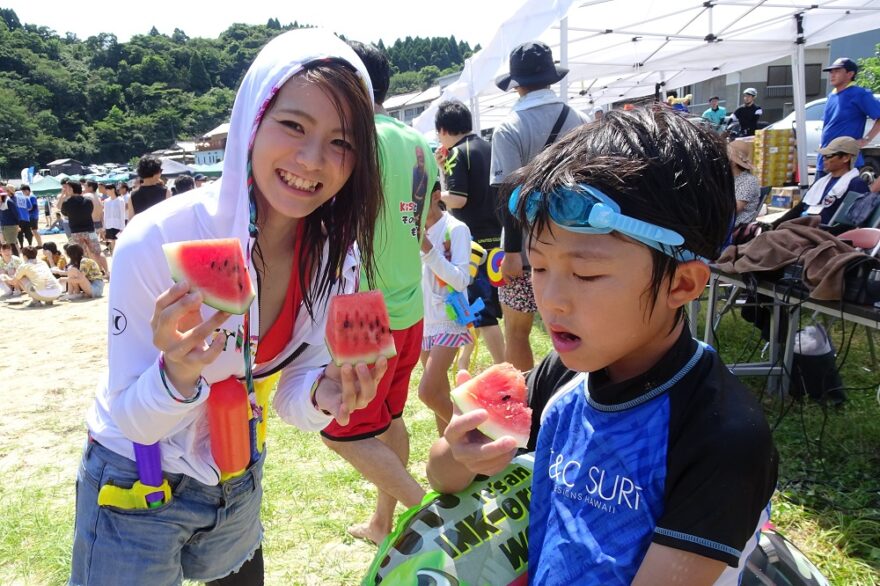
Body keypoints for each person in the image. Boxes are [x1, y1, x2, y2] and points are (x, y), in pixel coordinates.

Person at [69, 29, 387, 586]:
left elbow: (289, 387)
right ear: (252, 120)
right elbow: (132, 418)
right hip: (134, 471)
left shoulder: (340, 256)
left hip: (237, 469)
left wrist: (323, 393)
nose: (313, 160)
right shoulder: (157, 240)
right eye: (293, 125)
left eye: (342, 141)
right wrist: (179, 372)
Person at [432, 108, 778, 585]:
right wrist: (459, 452)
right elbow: (441, 477)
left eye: (587, 274)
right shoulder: (560, 377)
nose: (550, 300)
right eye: (538, 266)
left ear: (682, 284)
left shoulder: (721, 436)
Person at [319, 40, 431, 546]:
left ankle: (428, 514)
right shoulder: (420, 143)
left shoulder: (354, 141)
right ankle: (382, 522)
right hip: (411, 302)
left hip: (362, 304)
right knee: (389, 420)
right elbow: (425, 219)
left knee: (341, 430)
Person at [491, 40, 591, 372]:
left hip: (527, 244)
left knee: (517, 334)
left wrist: (512, 251)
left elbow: (507, 193)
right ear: (551, 78)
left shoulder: (508, 128)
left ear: (516, 85)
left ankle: (522, 407)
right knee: (580, 329)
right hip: (579, 240)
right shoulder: (581, 119)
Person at [434, 100, 506, 369]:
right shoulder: (487, 146)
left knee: (483, 314)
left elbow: (459, 199)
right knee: (473, 309)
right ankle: (464, 365)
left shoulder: (456, 153)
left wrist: (435, 196)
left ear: (442, 130)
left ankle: (507, 370)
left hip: (473, 243)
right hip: (497, 240)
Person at [418, 183, 473, 432]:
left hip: (450, 319)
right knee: (439, 391)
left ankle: (473, 435)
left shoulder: (456, 229)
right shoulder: (412, 230)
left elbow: (461, 279)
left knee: (428, 391)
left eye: (418, 196)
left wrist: (428, 251)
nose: (413, 204)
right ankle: (449, 450)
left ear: (436, 195)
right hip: (422, 321)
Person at [774, 136, 870, 228]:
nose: (824, 159)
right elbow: (800, 208)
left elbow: (852, 222)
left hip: (823, 234)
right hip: (804, 227)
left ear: (846, 158)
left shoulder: (857, 184)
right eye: (823, 155)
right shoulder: (821, 182)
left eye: (828, 156)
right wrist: (774, 224)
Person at [816, 57, 880, 178]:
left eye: (837, 71)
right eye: (831, 72)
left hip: (845, 161)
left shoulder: (859, 93)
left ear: (850, 74)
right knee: (817, 195)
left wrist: (866, 139)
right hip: (825, 159)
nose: (832, 75)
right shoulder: (831, 96)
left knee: (842, 195)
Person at [59, 181, 110, 278]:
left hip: (76, 232)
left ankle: (87, 275)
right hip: (90, 230)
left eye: (68, 188)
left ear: (71, 189)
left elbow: (64, 213)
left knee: (80, 255)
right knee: (97, 252)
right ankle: (107, 272)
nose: (66, 190)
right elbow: (90, 211)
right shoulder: (87, 201)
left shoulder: (67, 202)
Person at [729, 141, 762, 227]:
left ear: (734, 162)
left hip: (736, 227)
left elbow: (733, 209)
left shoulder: (748, 181)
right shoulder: (728, 179)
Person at [102, 183, 126, 254]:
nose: (106, 191)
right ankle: (113, 256)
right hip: (109, 224)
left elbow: (122, 214)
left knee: (118, 242)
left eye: (107, 190)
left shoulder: (120, 200)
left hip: (118, 225)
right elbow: (105, 214)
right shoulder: (106, 201)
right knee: (111, 242)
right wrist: (104, 227)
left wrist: (122, 227)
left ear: (113, 189)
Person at [0, 185, 21, 255]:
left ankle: (16, 259)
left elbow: (16, 214)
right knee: (8, 244)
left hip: (11, 226)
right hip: (4, 226)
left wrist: (18, 225)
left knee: (12, 244)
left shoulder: (9, 202)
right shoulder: (2, 203)